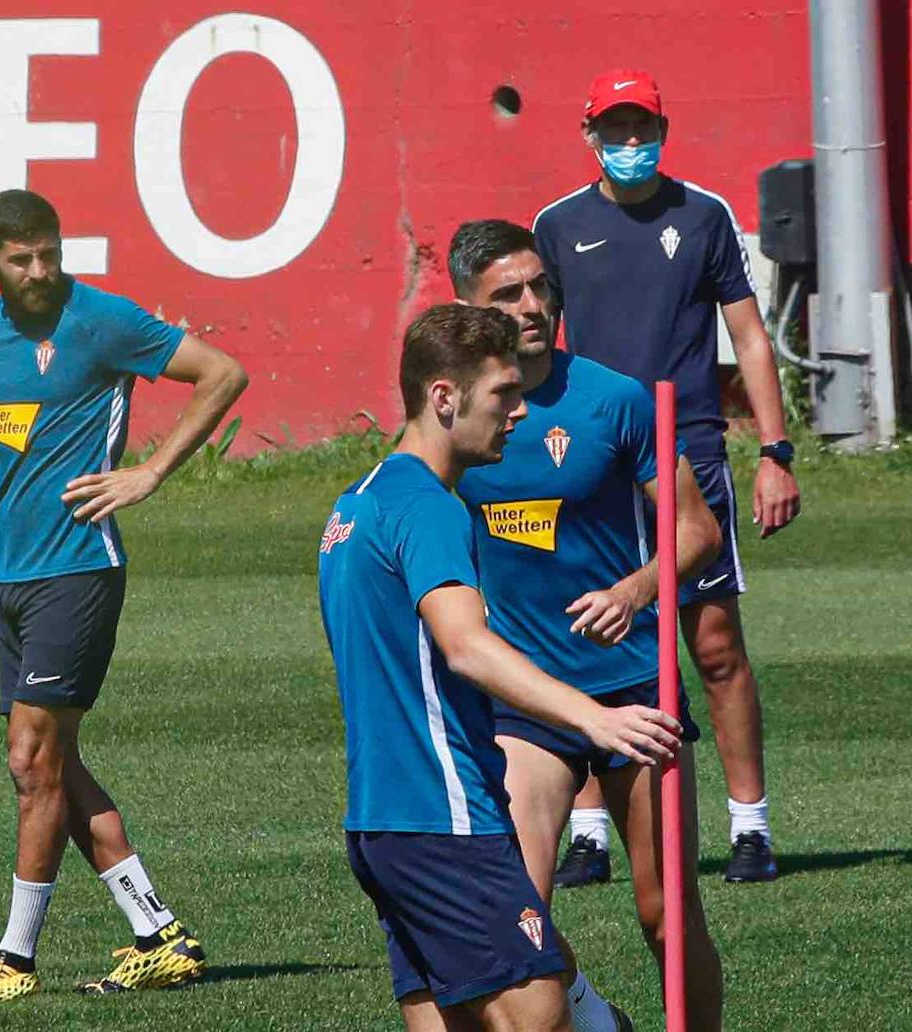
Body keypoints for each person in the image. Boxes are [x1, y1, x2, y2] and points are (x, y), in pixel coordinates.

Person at [0, 189, 249, 1003]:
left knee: (30, 761)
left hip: (79, 571)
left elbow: (222, 374)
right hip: (15, 578)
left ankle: (14, 959)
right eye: (22, 259)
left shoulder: (101, 320)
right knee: (55, 761)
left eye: (49, 251)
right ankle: (158, 933)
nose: (41, 270)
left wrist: (150, 471)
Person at [318, 303, 683, 1032]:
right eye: (502, 395)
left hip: (381, 821)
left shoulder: (355, 507)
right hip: (444, 814)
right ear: (444, 398)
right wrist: (595, 717)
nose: (518, 413)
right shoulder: (430, 510)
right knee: (536, 1012)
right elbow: (465, 645)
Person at [449, 220, 725, 1030]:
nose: (532, 306)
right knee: (518, 919)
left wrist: (638, 589)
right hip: (528, 703)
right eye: (508, 294)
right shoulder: (458, 417)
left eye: (540, 287)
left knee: (665, 914)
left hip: (635, 691)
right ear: (467, 306)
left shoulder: (616, 398)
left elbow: (698, 530)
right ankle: (590, 1014)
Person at [533, 70, 802, 883]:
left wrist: (776, 452)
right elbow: (533, 336)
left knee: (714, 645)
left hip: (689, 451)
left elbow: (750, 339)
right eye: (612, 131)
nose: (628, 144)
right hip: (588, 459)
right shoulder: (557, 225)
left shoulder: (706, 215)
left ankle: (749, 825)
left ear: (663, 127)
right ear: (589, 137)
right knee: (585, 634)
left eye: (640, 127)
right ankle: (588, 830)